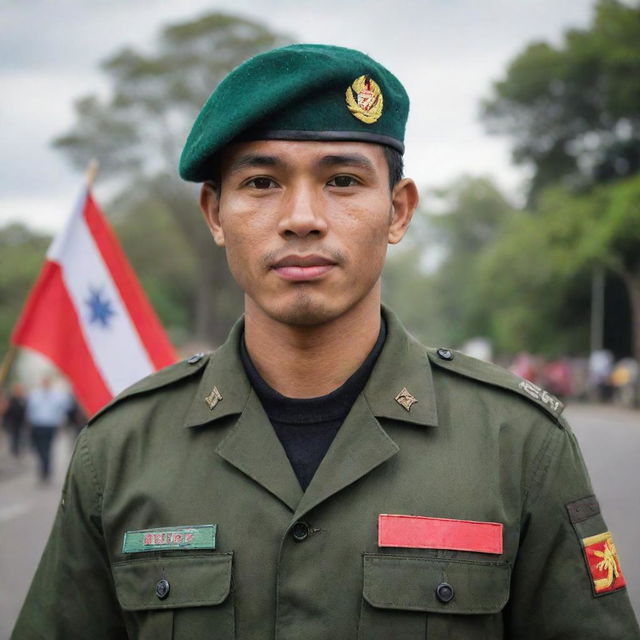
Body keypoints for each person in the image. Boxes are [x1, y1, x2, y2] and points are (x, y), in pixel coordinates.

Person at [13, 44, 639, 639]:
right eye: (262, 183)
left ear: (397, 211)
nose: (302, 217)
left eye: (342, 180)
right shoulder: (121, 449)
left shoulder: (518, 443)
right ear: (214, 213)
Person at [25, 375, 70, 483]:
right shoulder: (35, 394)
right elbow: (30, 410)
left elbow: (65, 407)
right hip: (38, 425)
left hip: (51, 425)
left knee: (48, 448)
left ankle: (46, 470)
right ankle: (43, 465)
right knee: (39, 448)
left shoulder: (57, 395)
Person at [1, 382, 26, 458]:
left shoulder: (23, 399)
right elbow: (6, 409)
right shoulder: (11, 398)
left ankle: (16, 449)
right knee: (13, 435)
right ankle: (14, 449)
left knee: (18, 435)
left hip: (20, 421)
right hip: (11, 420)